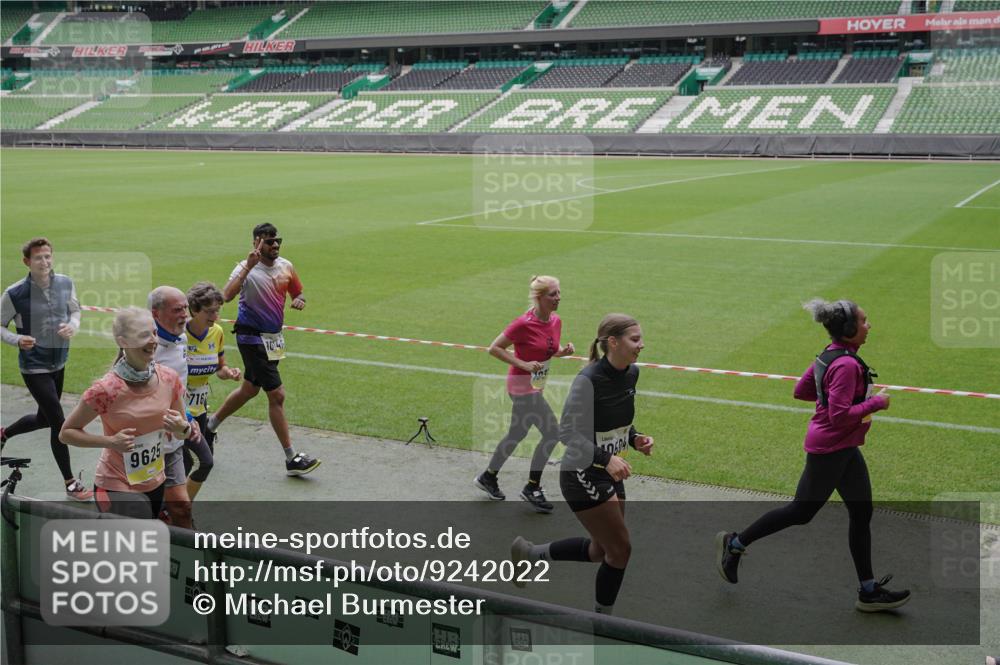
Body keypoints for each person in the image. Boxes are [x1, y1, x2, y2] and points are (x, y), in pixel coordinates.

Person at [716, 298, 910, 613]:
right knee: (800, 512)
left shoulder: (831, 354)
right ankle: (734, 544)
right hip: (830, 450)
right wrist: (876, 403)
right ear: (849, 329)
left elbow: (802, 390)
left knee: (861, 513)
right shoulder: (846, 364)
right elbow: (839, 416)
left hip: (844, 448)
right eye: (863, 321)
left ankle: (868, 590)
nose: (868, 325)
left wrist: (831, 398)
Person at [511, 314, 654, 615]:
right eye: (635, 339)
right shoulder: (588, 380)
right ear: (612, 342)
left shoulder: (631, 374)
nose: (642, 345)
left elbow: (617, 423)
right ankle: (602, 623)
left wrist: (635, 439)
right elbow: (566, 432)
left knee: (600, 550)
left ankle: (530, 554)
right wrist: (606, 458)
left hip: (609, 469)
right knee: (620, 551)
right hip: (582, 473)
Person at [205, 223, 319, 476]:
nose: (275, 245)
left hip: (273, 339)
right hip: (251, 339)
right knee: (276, 395)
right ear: (257, 242)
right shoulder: (244, 268)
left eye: (278, 240)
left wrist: (299, 299)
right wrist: (248, 266)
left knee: (249, 389)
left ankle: (209, 426)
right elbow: (226, 296)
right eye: (269, 241)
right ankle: (291, 458)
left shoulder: (286, 266)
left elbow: (297, 292)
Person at [60, 307, 189, 519]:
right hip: (115, 483)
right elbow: (66, 433)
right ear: (123, 341)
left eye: (154, 333)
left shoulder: (169, 378)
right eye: (143, 335)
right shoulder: (106, 389)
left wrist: (181, 428)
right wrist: (111, 441)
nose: (152, 340)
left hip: (155, 480)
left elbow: (182, 432)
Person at [474, 276, 575, 513]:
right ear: (539, 297)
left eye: (559, 293)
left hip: (535, 386)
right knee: (553, 432)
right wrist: (524, 364)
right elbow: (494, 348)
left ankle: (488, 477)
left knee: (517, 432)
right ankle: (532, 487)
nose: (558, 298)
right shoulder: (522, 324)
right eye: (553, 294)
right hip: (521, 387)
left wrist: (563, 352)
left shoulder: (556, 320)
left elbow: (549, 348)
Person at [0, 237, 91, 501]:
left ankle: (4, 433)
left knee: (44, 418)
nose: (45, 262)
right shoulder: (14, 293)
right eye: (39, 257)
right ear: (27, 262)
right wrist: (17, 339)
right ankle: (70, 482)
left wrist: (73, 325)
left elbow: (75, 311)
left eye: (48, 256)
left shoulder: (65, 283)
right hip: (34, 367)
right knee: (59, 423)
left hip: (59, 362)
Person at [148, 286, 211, 528]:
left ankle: (175, 513)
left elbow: (178, 386)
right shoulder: (146, 350)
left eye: (185, 307)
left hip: (181, 426)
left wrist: (187, 417)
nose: (185, 314)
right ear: (156, 313)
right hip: (153, 438)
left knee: (205, 460)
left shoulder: (182, 337)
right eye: (178, 309)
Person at [184, 281, 241, 499]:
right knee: (192, 462)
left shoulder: (216, 332)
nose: (215, 316)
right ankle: (175, 509)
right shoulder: (179, 335)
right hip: (177, 411)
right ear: (194, 309)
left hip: (199, 411)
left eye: (217, 311)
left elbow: (219, 368)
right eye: (209, 311)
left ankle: (177, 508)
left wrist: (229, 372)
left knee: (197, 463)